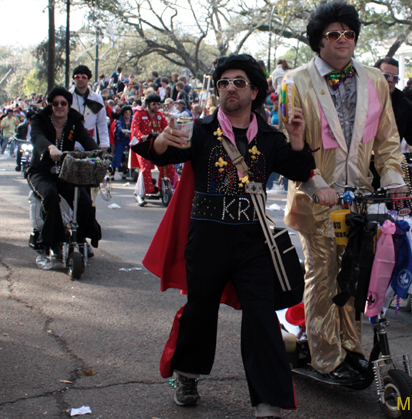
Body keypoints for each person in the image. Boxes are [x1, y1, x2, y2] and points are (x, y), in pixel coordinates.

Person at [134, 54, 315, 417]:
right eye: (224, 83)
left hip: (253, 242)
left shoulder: (270, 137)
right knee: (200, 311)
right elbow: (162, 155)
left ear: (254, 91)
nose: (230, 88)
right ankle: (187, 375)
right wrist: (160, 143)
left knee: (262, 316)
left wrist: (296, 139)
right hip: (207, 240)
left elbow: (299, 170)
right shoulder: (200, 131)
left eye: (239, 82)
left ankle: (268, 399)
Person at [283, 0, 406, 382]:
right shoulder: (294, 83)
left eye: (349, 33)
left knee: (354, 274)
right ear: (318, 41)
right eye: (333, 34)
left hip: (361, 198)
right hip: (315, 197)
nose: (343, 40)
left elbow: (388, 140)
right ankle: (326, 357)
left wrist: (394, 180)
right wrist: (314, 182)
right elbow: (289, 145)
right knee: (323, 275)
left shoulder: (375, 81)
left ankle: (351, 347)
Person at [27, 87, 102, 261]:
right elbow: (37, 137)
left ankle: (80, 238)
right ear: (50, 105)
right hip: (41, 171)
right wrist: (49, 147)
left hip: (65, 170)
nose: (59, 106)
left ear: (68, 105)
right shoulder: (40, 119)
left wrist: (100, 155)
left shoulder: (74, 120)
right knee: (50, 195)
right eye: (55, 103)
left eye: (63, 103)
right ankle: (53, 241)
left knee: (84, 200)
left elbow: (86, 139)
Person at [130, 93, 176, 205]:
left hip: (156, 144)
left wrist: (173, 131)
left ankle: (163, 188)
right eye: (153, 104)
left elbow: (167, 128)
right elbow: (135, 129)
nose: (156, 106)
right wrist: (143, 136)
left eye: (157, 104)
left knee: (168, 165)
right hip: (142, 145)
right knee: (145, 168)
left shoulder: (160, 115)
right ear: (147, 104)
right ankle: (140, 194)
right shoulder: (139, 114)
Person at [69, 65, 110, 150]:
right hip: (70, 141)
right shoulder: (68, 97)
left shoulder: (97, 98)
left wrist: (104, 142)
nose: (80, 79)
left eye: (83, 77)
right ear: (74, 79)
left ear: (88, 79)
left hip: (90, 142)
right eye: (77, 77)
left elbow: (102, 122)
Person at [111, 105, 132, 178]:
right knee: (117, 155)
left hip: (130, 140)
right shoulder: (119, 120)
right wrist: (122, 130)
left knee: (134, 153)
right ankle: (112, 171)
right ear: (123, 113)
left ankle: (132, 169)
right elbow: (118, 126)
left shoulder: (133, 119)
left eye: (129, 112)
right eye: (126, 112)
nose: (128, 114)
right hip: (120, 140)